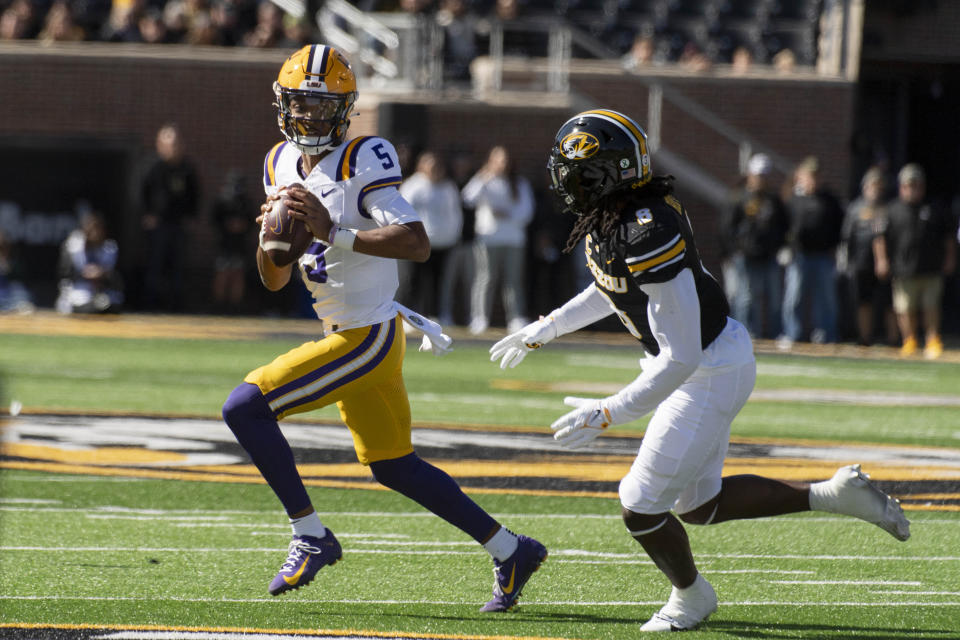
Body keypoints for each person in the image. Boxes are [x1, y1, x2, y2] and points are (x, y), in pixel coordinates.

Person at [490, 109, 910, 631]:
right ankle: (833, 495)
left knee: (639, 505)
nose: (567, 183)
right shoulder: (615, 214)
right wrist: (547, 328)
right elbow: (612, 286)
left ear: (610, 174)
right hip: (705, 362)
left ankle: (691, 597)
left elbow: (680, 357)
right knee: (699, 505)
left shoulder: (646, 228)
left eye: (578, 173)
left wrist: (608, 411)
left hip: (707, 368)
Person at [220, 44, 546, 611]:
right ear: (282, 106)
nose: (310, 118)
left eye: (323, 108)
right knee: (394, 465)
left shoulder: (361, 157)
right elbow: (273, 280)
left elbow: (417, 242)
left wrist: (332, 231)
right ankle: (510, 549)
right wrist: (270, 243)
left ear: (346, 111)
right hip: (347, 332)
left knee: (244, 406)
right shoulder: (277, 162)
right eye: (301, 105)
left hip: (366, 335)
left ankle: (310, 534)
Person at [873, 163, 956, 359]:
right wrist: (881, 261)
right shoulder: (892, 210)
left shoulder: (933, 208)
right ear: (902, 187)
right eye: (909, 185)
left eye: (917, 185)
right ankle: (909, 340)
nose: (913, 189)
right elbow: (880, 238)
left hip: (930, 267)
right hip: (903, 269)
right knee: (905, 307)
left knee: (931, 306)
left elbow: (948, 238)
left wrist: (950, 259)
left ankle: (932, 339)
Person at [461, 145, 534, 334]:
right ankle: (479, 318)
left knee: (513, 281)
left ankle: (516, 318)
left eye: (505, 160)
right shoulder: (483, 180)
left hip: (514, 240)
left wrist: (506, 214)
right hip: (488, 239)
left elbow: (527, 211)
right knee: (485, 278)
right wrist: (482, 177)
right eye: (498, 160)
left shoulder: (519, 183)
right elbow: (468, 198)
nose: (502, 164)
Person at [722, 153, 789, 339]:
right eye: (759, 175)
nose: (762, 179)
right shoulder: (739, 197)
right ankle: (743, 333)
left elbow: (783, 226)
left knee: (774, 298)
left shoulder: (774, 200)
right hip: (745, 256)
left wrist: (782, 246)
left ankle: (775, 333)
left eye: (765, 175)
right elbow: (728, 226)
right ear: (751, 174)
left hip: (769, 256)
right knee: (745, 297)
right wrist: (733, 251)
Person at [780, 156, 844, 346]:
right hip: (799, 256)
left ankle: (826, 335)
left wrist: (836, 248)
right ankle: (792, 333)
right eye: (810, 175)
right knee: (793, 298)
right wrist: (786, 247)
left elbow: (839, 225)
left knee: (826, 300)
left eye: (816, 175)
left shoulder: (829, 200)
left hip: (823, 256)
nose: (813, 179)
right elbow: (783, 227)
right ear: (801, 176)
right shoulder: (793, 200)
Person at [397, 150, 463, 324]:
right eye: (430, 164)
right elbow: (403, 213)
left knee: (437, 282)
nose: (435, 168)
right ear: (421, 166)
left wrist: (453, 235)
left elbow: (455, 214)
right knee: (413, 281)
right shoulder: (413, 186)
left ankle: (434, 316)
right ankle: (408, 318)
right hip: (416, 244)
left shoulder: (448, 187)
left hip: (442, 244)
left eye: (437, 165)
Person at [139, 122, 199, 311]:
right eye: (169, 144)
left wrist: (191, 217)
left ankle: (176, 306)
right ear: (160, 145)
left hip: (178, 225)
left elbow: (195, 195)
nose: (173, 148)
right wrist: (147, 215)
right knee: (155, 265)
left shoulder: (187, 170)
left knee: (178, 267)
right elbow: (141, 193)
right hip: (158, 226)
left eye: (176, 144)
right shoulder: (152, 168)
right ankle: (151, 304)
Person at [841, 167, 894, 346]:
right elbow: (847, 237)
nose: (876, 190)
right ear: (865, 187)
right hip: (861, 263)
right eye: (873, 186)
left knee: (889, 303)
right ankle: (865, 338)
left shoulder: (888, 208)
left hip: (886, 264)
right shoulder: (855, 209)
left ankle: (893, 339)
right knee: (863, 302)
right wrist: (847, 262)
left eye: (879, 187)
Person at [55, 211, 124, 314]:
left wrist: (102, 273)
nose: (94, 232)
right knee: (87, 307)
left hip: (100, 292)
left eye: (97, 228)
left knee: (110, 304)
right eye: (90, 228)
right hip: (78, 290)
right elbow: (65, 274)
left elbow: (114, 276)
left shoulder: (109, 247)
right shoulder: (74, 246)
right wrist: (84, 273)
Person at [211, 170, 256, 314]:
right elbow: (214, 220)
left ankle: (234, 306)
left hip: (240, 243)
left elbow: (252, 221)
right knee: (223, 273)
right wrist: (228, 225)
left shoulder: (246, 202)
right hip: (224, 243)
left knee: (238, 274)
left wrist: (242, 226)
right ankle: (219, 305)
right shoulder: (223, 200)